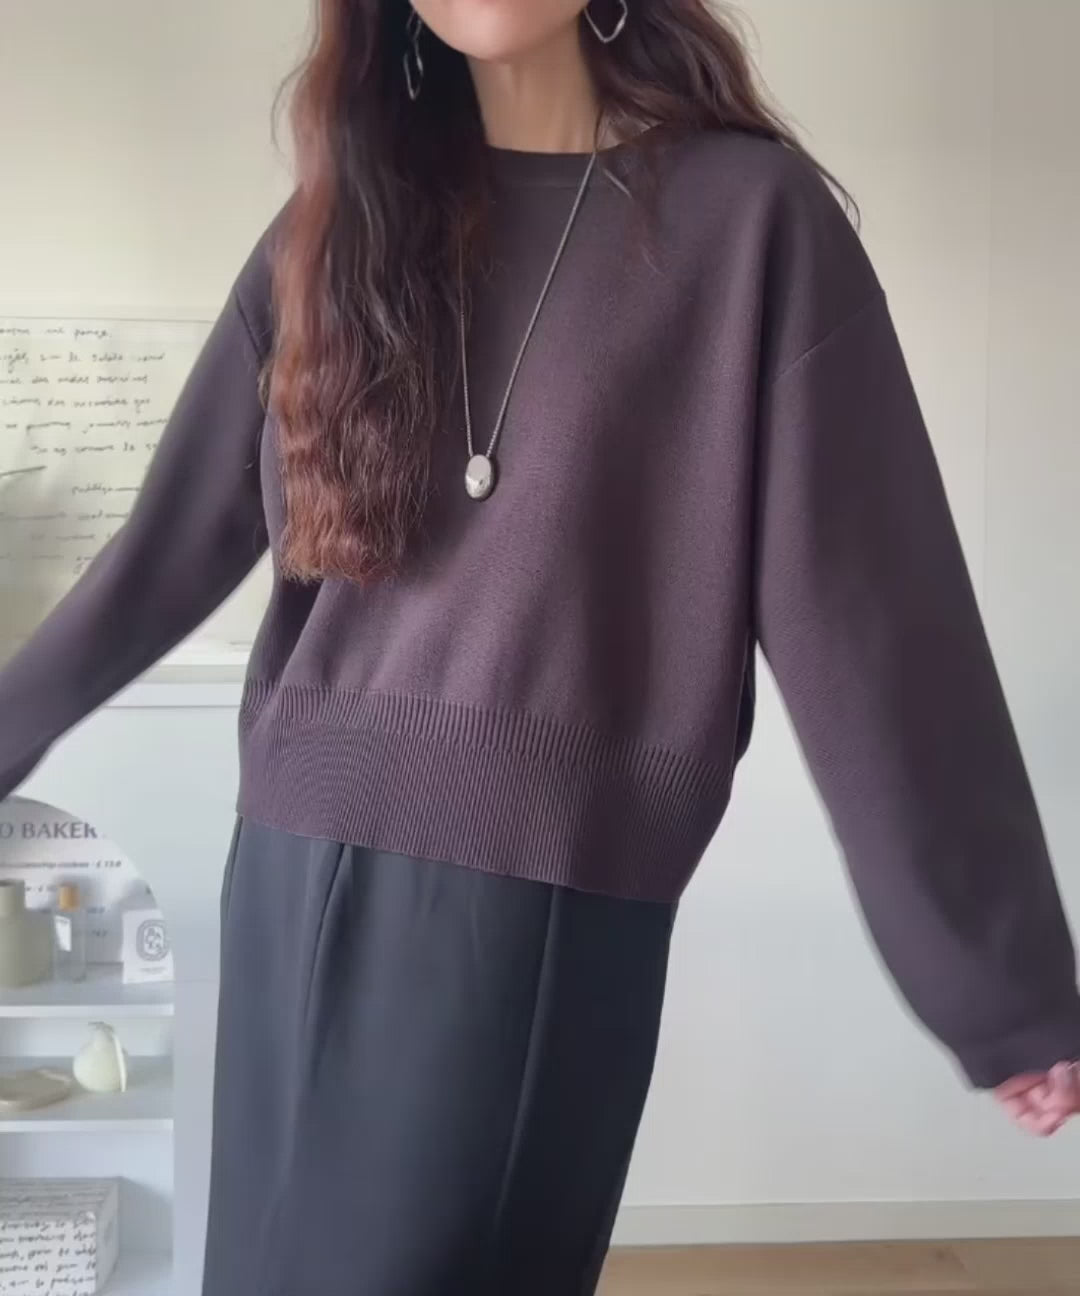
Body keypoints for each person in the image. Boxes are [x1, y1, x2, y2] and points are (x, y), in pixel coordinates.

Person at [1, 0, 1078, 1291]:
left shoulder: (751, 226)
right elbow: (165, 550)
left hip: (529, 900)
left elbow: (878, 624)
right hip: (283, 865)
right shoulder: (336, 226)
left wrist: (998, 983)